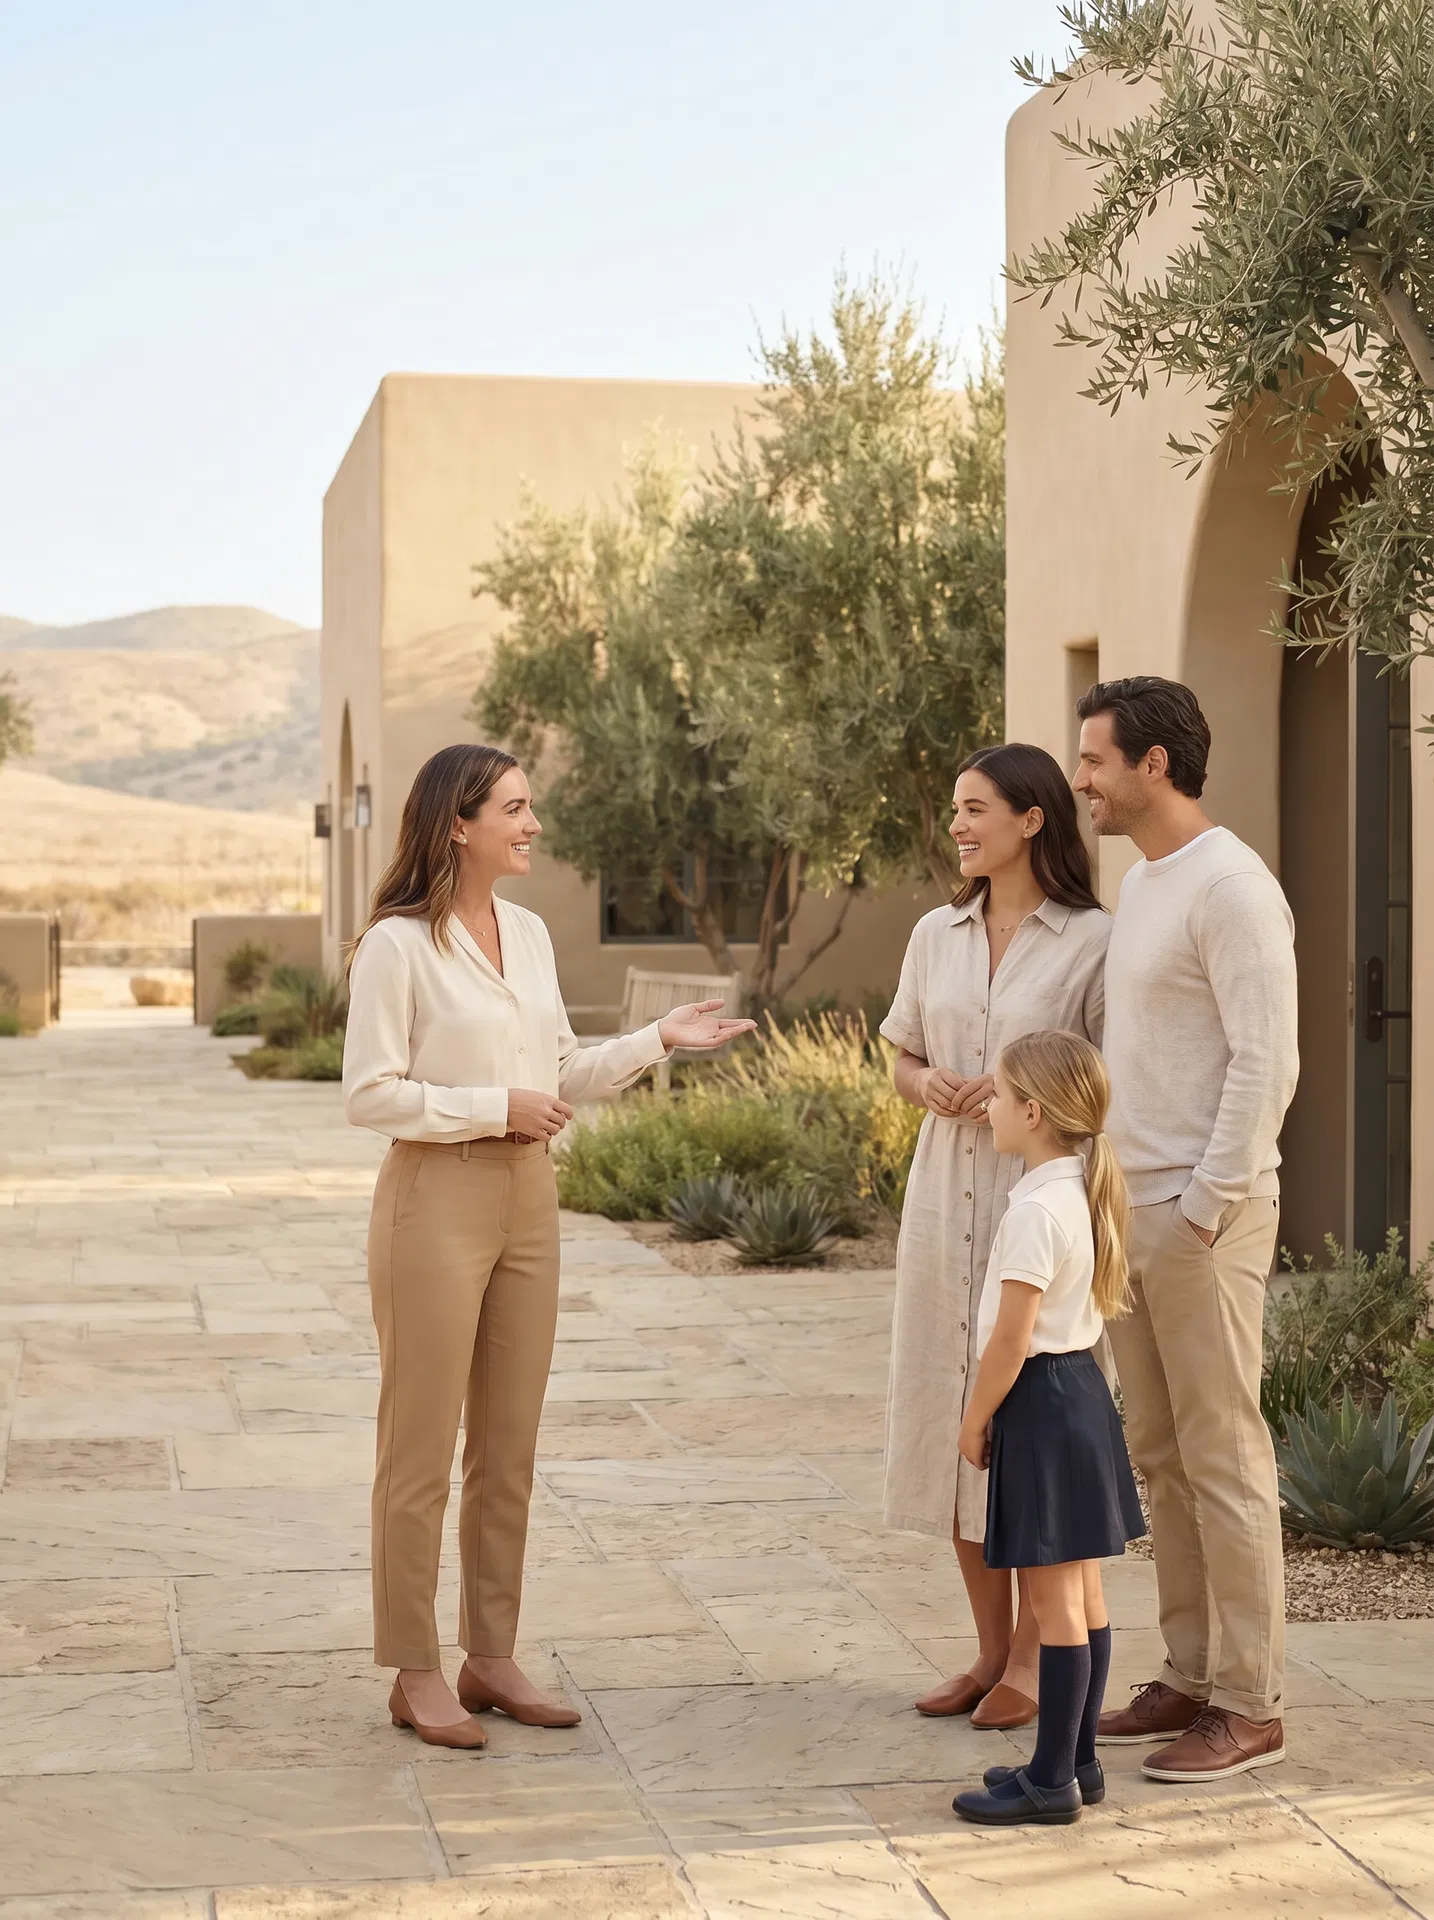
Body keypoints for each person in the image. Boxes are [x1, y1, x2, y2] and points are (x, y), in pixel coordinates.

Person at [343, 743, 755, 1749]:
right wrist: (495, 1104)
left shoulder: (527, 934)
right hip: (433, 1201)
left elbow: (562, 1070)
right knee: (419, 1450)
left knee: (510, 1445)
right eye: (516, 809)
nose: (533, 826)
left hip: (529, 1200)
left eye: (531, 808)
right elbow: (369, 1093)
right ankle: (415, 1668)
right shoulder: (398, 946)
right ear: (458, 823)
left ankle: (491, 1655)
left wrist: (658, 1040)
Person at [1074, 676, 1298, 1782]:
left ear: (1151, 766)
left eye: (1095, 760)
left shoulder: (1232, 887)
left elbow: (1269, 1060)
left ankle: (1251, 1703)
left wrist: (1207, 1204)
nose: (1083, 780)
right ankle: (1193, 1671)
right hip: (1134, 1209)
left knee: (1223, 1457)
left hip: (1201, 1217)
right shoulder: (1148, 880)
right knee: (1159, 1457)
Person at [880, 742, 1110, 1731]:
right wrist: (924, 1084)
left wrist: (1029, 1096)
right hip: (942, 1201)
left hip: (1039, 1202)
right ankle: (985, 1651)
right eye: (956, 810)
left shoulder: (1095, 942)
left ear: (1033, 820)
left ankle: (1032, 1656)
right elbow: (901, 1051)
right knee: (949, 1418)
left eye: (977, 809)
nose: (959, 826)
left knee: (1025, 1421)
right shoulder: (936, 932)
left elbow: (1105, 1082)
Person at [950, 1029, 1145, 1827]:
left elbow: (1009, 1337)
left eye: (996, 1095)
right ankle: (1079, 1763)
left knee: (1056, 1602)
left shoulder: (1038, 1209)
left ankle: (1051, 1782)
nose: (987, 1106)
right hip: (1081, 1397)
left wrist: (974, 1418)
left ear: (1031, 1111)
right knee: (1086, 1595)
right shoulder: (1079, 1192)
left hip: (1042, 1398)